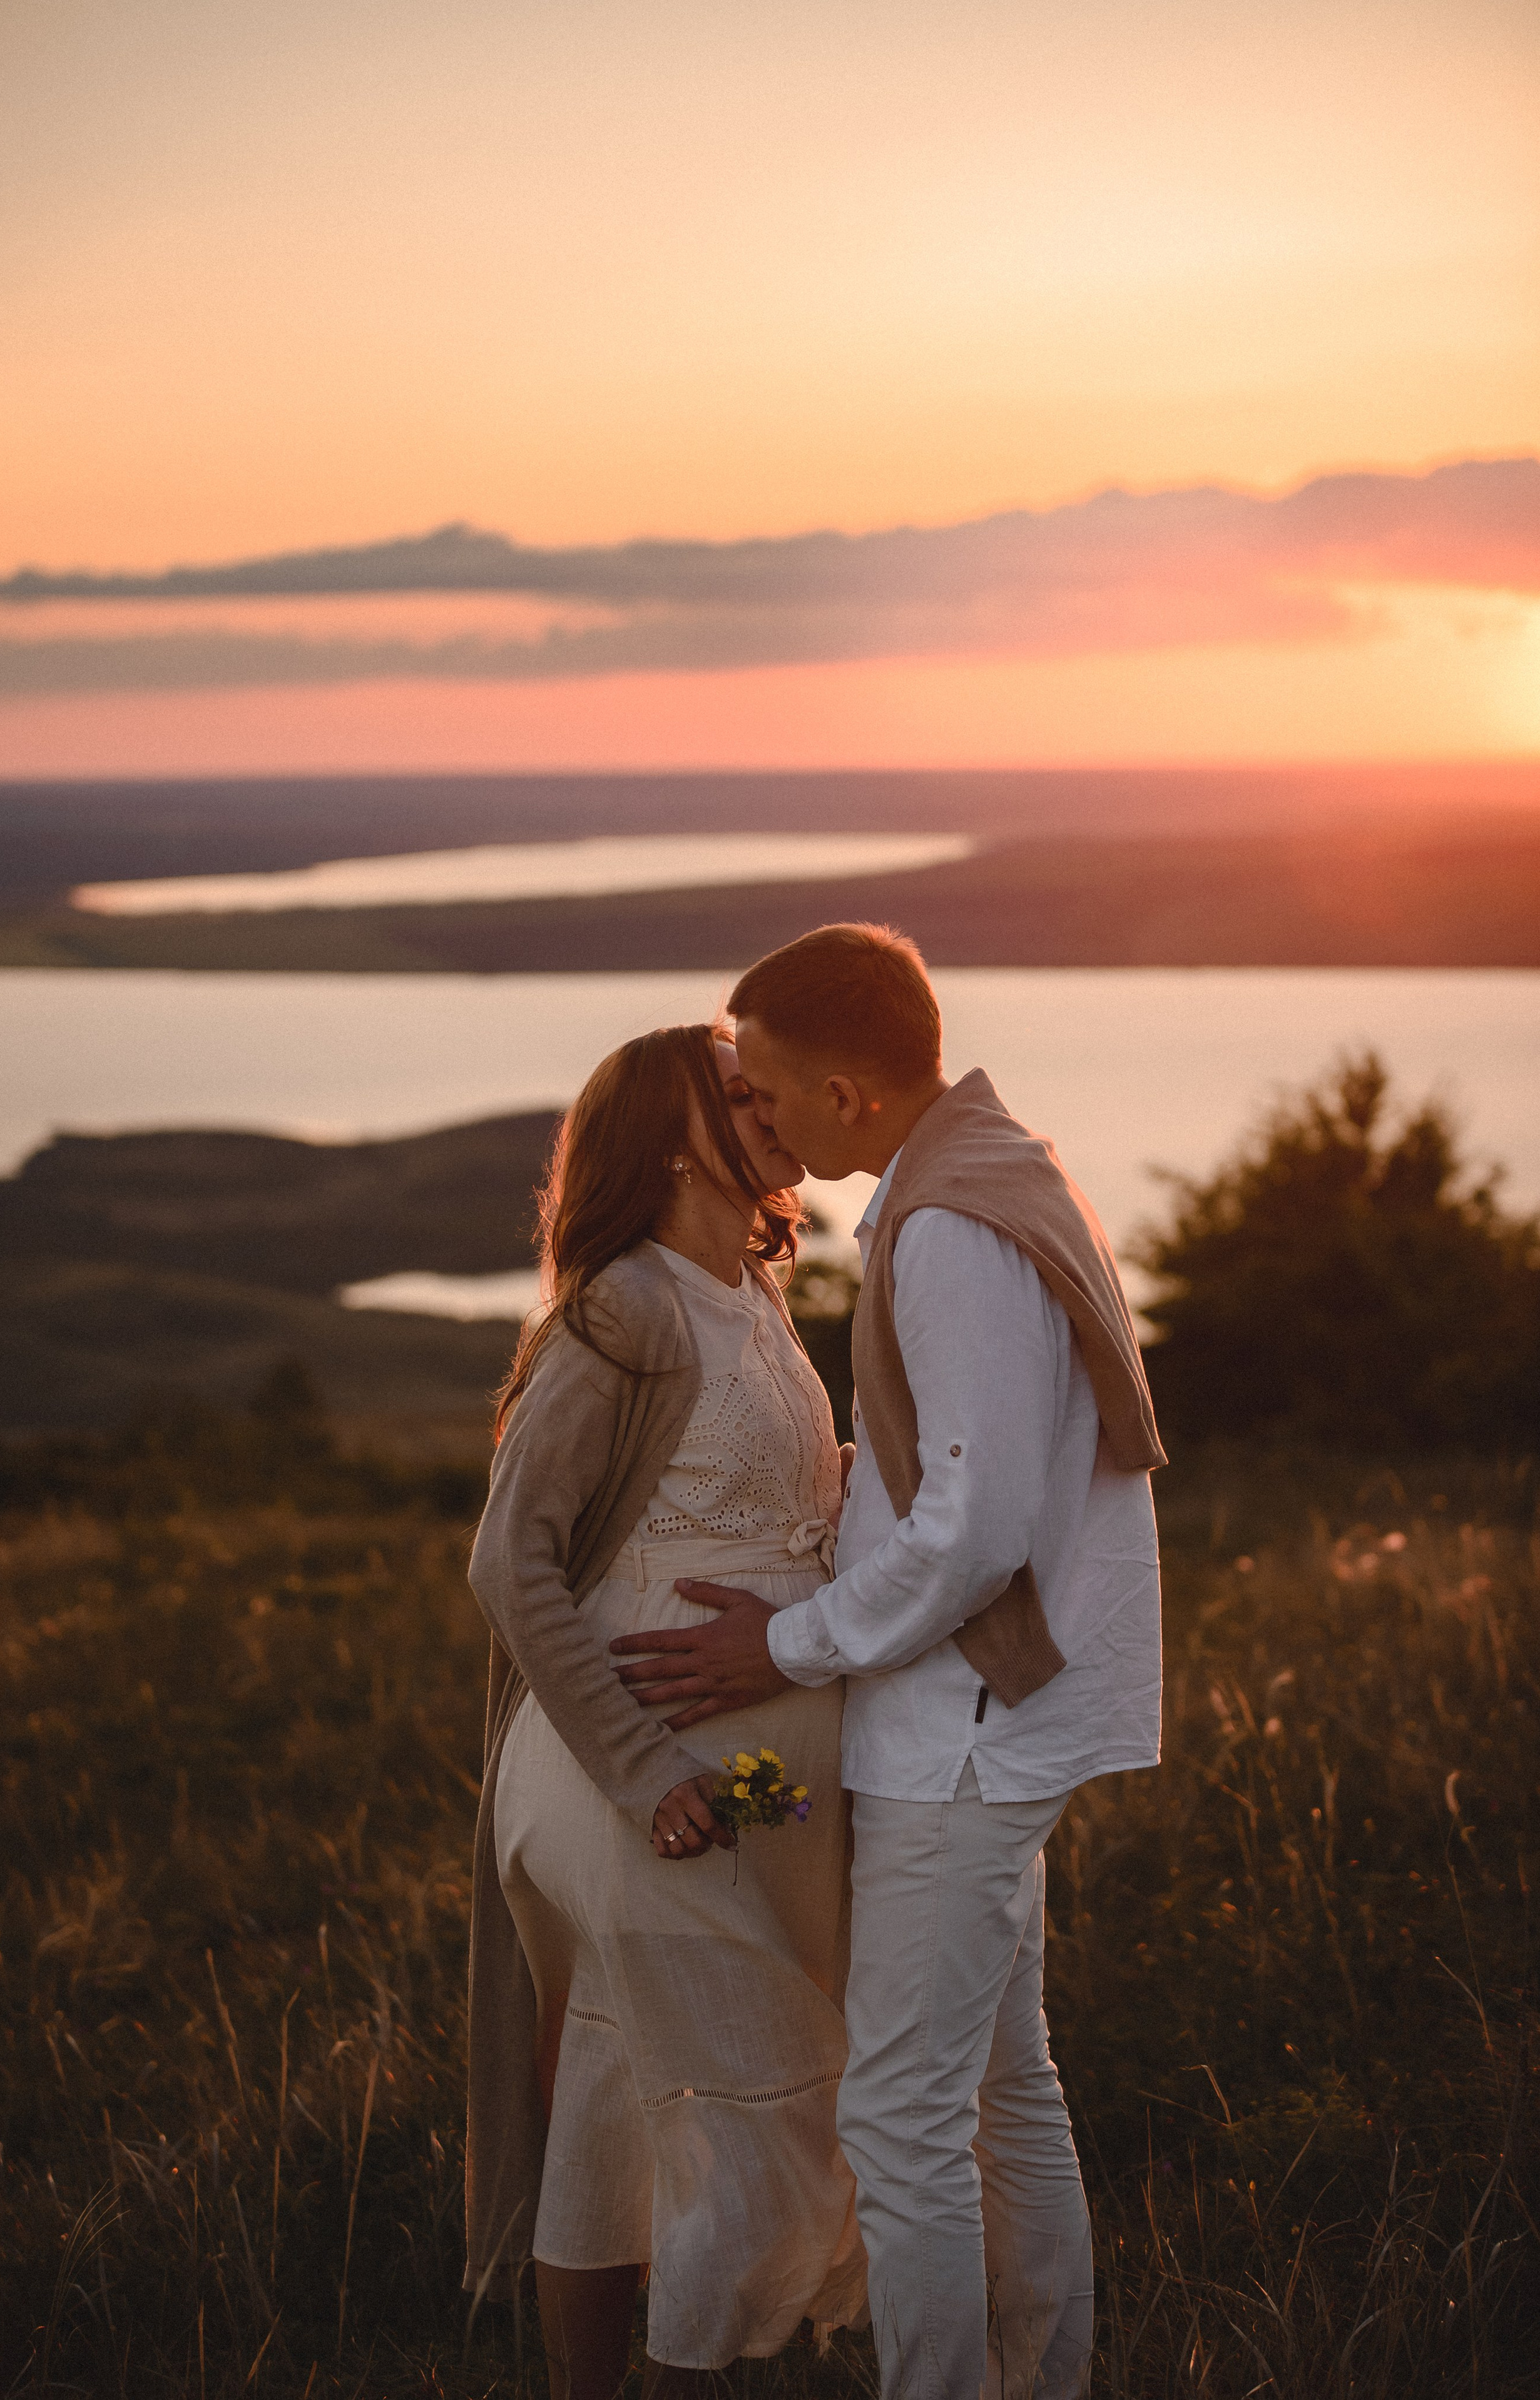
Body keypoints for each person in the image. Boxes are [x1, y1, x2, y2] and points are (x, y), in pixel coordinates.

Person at [612, 925, 1166, 2400]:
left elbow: (973, 1524)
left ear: (851, 1092)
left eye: (775, 1093)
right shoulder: (988, 1163)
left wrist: (780, 1642)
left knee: (903, 2115)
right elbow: (973, 1470)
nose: (763, 1125)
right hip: (992, 1710)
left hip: (962, 1726)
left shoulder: (945, 1229)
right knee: (998, 2086)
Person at [464, 1022, 865, 2400]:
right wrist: (643, 1772)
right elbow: (507, 1554)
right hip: (633, 1782)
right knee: (756, 2108)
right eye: (734, 1090)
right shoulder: (624, 1306)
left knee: (610, 2098)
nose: (767, 1105)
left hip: (742, 1781)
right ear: (674, 1133)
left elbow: (772, 1502)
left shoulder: (746, 1292)